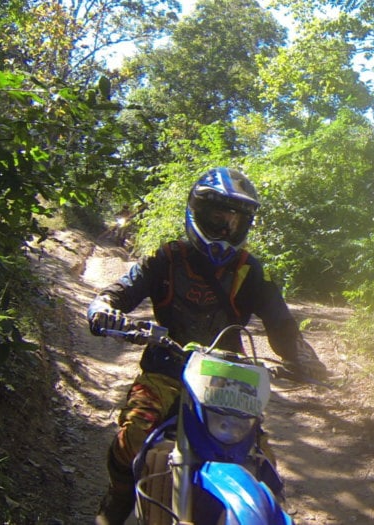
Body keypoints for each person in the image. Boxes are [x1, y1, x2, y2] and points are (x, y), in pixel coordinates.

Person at [85, 167, 330, 525]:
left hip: (227, 380)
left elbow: (282, 325)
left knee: (264, 463)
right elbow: (120, 291)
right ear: (196, 212)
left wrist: (305, 359)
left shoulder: (251, 271)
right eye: (218, 217)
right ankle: (118, 500)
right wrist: (104, 310)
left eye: (234, 219)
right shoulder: (166, 259)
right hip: (165, 370)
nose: (225, 227)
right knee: (134, 434)